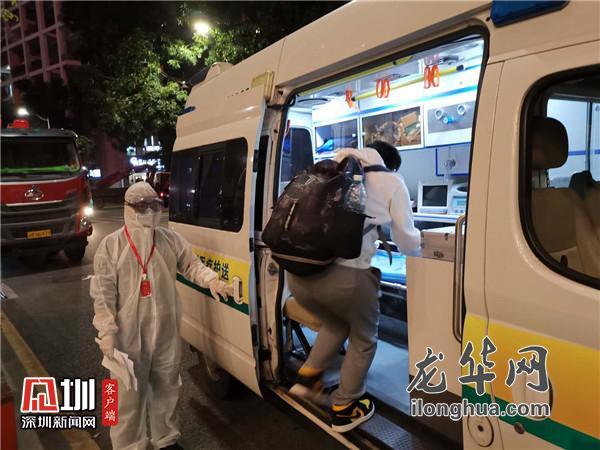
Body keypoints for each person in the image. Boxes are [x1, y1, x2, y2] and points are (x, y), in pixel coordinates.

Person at [288, 141, 420, 433]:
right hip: (346, 278)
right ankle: (346, 407)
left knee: (336, 325)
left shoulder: (325, 171)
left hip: (298, 275)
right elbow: (408, 242)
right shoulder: (390, 180)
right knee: (364, 338)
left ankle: (307, 379)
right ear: (391, 164)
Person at [91, 182, 232, 450]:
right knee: (120, 395)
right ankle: (126, 445)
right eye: (142, 206)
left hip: (165, 330)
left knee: (167, 387)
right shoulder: (111, 246)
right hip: (125, 336)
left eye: (155, 205)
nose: (150, 211)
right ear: (128, 208)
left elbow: (191, 265)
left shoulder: (169, 240)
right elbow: (102, 293)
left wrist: (211, 280)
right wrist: (106, 331)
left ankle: (165, 439)